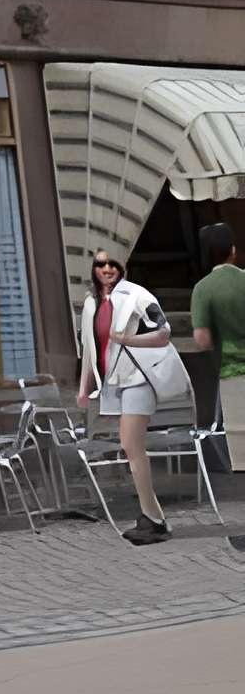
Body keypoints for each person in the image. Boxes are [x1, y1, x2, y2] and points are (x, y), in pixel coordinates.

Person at [77, 245, 192, 544]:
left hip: (138, 378)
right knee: (130, 448)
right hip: (113, 383)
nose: (107, 269)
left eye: (113, 264)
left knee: (130, 445)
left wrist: (128, 339)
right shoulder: (90, 303)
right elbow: (89, 349)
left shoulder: (138, 295)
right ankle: (152, 517)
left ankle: (154, 519)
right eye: (101, 264)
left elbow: (163, 332)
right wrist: (83, 387)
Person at [189, 220, 245, 551]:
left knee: (241, 454)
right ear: (234, 251)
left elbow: (202, 339)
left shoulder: (204, 289)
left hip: (233, 375)